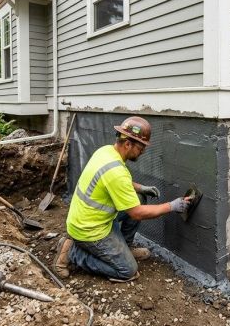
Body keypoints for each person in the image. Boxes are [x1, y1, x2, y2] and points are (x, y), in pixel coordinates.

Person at [53, 116, 191, 282]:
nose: (143, 152)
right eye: (141, 148)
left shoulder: (106, 151)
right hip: (89, 230)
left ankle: (124, 247)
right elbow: (136, 213)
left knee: (139, 198)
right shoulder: (116, 171)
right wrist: (171, 206)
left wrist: (141, 188)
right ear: (128, 144)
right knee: (128, 270)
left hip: (88, 217)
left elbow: (113, 182)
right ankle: (73, 253)